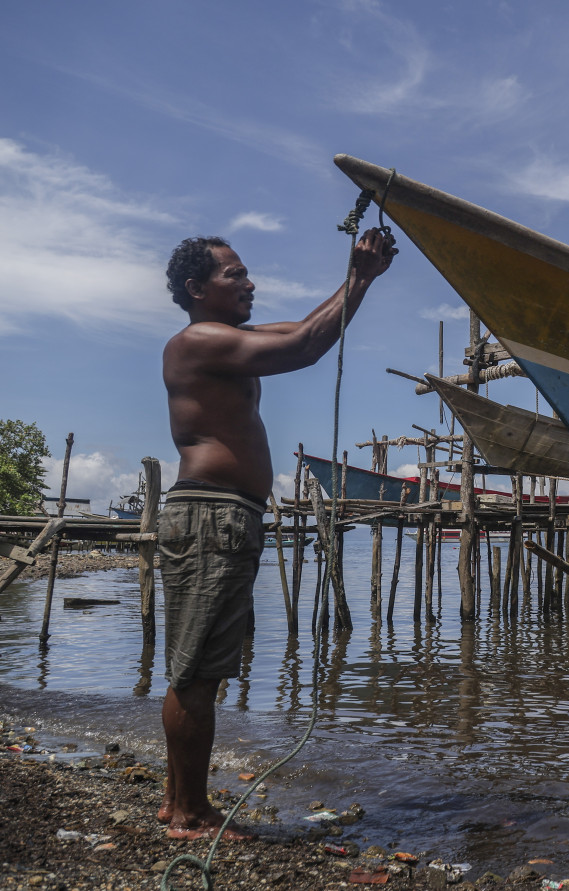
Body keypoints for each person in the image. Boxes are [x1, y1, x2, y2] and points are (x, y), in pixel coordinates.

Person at [156, 228, 395, 839]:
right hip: (211, 516)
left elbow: (301, 332)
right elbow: (307, 347)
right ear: (196, 288)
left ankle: (176, 799)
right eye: (234, 274)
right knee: (197, 672)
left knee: (196, 665)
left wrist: (351, 276)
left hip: (220, 516)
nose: (249, 282)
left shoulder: (223, 338)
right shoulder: (197, 340)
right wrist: (361, 278)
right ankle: (187, 813)